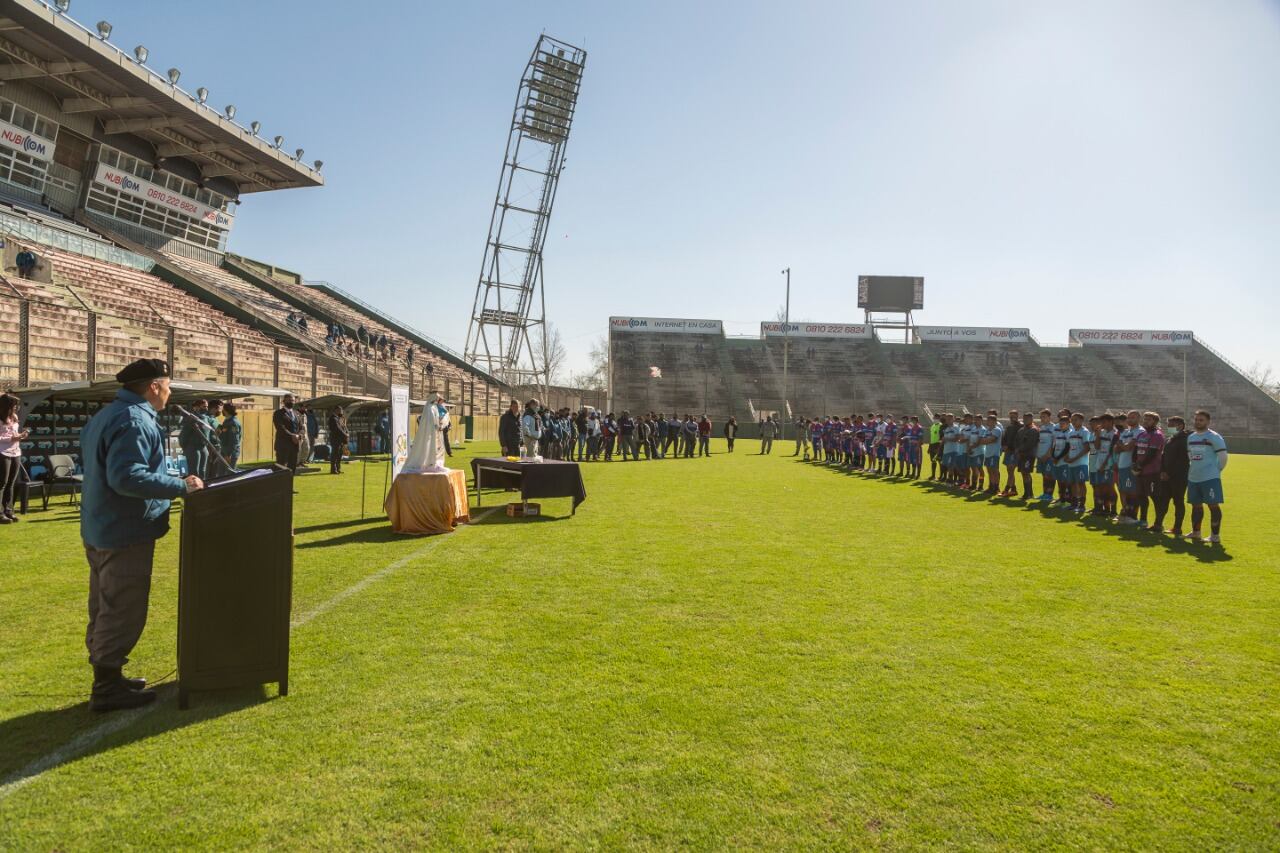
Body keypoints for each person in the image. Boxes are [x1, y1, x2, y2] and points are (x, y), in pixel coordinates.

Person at [80, 358, 203, 712]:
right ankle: (106, 687)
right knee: (121, 606)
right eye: (168, 384)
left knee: (104, 604)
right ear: (153, 386)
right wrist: (179, 485)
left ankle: (109, 675)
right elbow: (127, 477)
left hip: (101, 525)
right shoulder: (134, 420)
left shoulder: (107, 414)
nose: (170, 391)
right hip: (124, 530)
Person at [1185, 410, 1227, 543]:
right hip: (1193, 477)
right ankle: (1196, 532)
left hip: (1210, 478)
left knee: (1213, 505)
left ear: (1208, 422)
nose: (1198, 422)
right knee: (1196, 506)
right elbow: (1190, 455)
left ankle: (1215, 535)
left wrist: (1216, 471)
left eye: (1201, 420)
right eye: (1196, 419)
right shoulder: (1191, 437)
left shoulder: (1214, 437)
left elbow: (1223, 457)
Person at [1151, 415, 1188, 534]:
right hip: (1165, 476)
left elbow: (1182, 460)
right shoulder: (1169, 439)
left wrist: (1169, 473)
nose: (1169, 427)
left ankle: (1177, 528)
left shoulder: (1185, 440)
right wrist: (1162, 471)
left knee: (1178, 501)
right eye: (1168, 425)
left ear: (1180, 426)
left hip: (1179, 477)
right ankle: (1158, 524)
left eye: (1172, 425)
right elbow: (1163, 457)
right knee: (1163, 500)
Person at [1131, 411, 1165, 527]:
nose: (1145, 422)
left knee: (1155, 497)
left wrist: (1140, 465)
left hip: (1152, 472)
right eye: (1145, 419)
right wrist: (1134, 463)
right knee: (1141, 496)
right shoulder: (1142, 434)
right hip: (1141, 472)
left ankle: (1158, 524)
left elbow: (1152, 454)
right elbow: (1136, 450)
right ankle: (1143, 520)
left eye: (1149, 420)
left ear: (1155, 422)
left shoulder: (1157, 435)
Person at [0, 393, 29, 523]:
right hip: (2, 453)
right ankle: (0, 514)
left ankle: (9, 511)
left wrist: (20, 435)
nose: (17, 408)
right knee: (2, 483)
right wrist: (12, 438)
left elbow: (13, 433)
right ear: (7, 406)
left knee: (11, 483)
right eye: (15, 405)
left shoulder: (15, 417)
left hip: (15, 452)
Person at [178, 398, 212, 480]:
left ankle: (204, 489)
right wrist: (186, 448)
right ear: (196, 407)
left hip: (203, 447)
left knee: (203, 471)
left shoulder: (206, 418)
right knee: (194, 472)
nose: (206, 408)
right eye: (203, 406)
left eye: (207, 406)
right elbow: (183, 435)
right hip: (193, 448)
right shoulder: (191, 418)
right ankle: (194, 490)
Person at [273, 393, 303, 471]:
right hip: (283, 445)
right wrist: (292, 436)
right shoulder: (278, 413)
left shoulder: (297, 413)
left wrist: (299, 436)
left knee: (292, 468)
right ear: (284, 401)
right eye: (289, 400)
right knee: (280, 468)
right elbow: (280, 427)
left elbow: (301, 428)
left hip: (295, 445)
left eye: (293, 400)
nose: (291, 402)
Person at [1013, 412, 1039, 499]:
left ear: (1032, 420)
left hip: (1029, 455)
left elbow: (1030, 444)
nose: (1025, 420)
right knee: (1023, 473)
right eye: (1024, 419)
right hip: (1021, 455)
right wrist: (1017, 449)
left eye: (1027, 419)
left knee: (1026, 473)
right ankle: (1028, 493)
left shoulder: (1034, 430)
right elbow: (1016, 441)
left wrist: (1020, 450)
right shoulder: (1021, 430)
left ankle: (1028, 494)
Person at [999, 410, 1022, 496]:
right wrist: (1004, 445)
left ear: (1017, 416)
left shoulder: (1021, 426)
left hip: (1014, 452)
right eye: (1011, 416)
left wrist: (1016, 449)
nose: (1012, 418)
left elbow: (1020, 439)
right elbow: (1004, 438)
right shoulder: (1009, 427)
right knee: (1009, 471)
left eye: (1014, 416)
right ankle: (1014, 489)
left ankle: (1006, 489)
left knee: (1011, 470)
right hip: (1008, 451)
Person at [216, 402, 242, 471]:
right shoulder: (226, 421)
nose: (222, 411)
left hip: (230, 453)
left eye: (223, 409)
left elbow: (234, 440)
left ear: (226, 410)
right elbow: (225, 436)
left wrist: (228, 455)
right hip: (225, 450)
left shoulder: (233, 423)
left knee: (229, 473)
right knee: (221, 473)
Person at [327, 406, 349, 473]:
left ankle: (338, 468)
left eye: (342, 411)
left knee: (339, 455)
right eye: (340, 410)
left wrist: (347, 432)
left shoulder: (339, 418)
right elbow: (337, 429)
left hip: (341, 439)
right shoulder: (333, 418)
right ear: (336, 410)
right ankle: (333, 469)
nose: (341, 412)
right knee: (335, 454)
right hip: (335, 439)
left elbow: (344, 427)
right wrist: (345, 435)